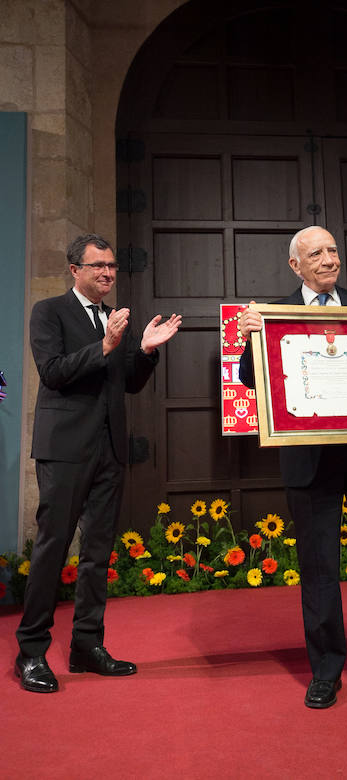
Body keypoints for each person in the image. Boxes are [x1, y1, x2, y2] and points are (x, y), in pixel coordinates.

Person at [238, 225, 347, 713]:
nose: (328, 259)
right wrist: (247, 340)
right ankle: (325, 673)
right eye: (315, 253)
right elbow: (252, 381)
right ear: (296, 265)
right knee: (318, 573)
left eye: (333, 250)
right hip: (309, 461)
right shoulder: (273, 315)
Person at [15, 234, 182, 693]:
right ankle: (30, 651)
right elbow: (53, 372)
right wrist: (105, 347)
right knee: (53, 548)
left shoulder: (114, 318)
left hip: (109, 449)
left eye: (111, 266)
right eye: (98, 266)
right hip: (65, 449)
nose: (108, 273)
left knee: (97, 554)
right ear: (75, 270)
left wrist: (145, 350)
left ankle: (86, 645)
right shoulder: (48, 312)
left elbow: (127, 383)